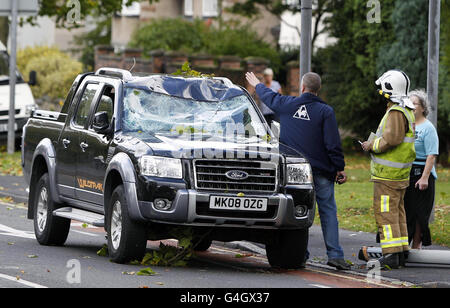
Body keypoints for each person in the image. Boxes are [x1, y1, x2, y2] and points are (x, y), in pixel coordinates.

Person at [246, 71, 350, 271]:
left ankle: (301, 253)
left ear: (302, 87)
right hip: (321, 171)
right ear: (318, 90)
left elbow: (269, 97)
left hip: (296, 172)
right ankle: (335, 255)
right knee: (328, 212)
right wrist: (339, 167)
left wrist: (258, 84)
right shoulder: (325, 111)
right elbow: (332, 144)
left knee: (300, 213)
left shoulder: (287, 104)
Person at [361, 69, 416, 269]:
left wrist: (371, 146)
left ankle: (391, 255)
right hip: (399, 174)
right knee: (397, 213)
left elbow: (392, 139)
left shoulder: (396, 111)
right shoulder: (406, 110)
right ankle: (401, 251)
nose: (380, 92)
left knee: (386, 213)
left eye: (382, 88)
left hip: (388, 176)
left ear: (389, 88)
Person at [404, 90, 439, 249]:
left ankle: (416, 246)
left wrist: (424, 177)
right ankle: (403, 244)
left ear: (423, 108)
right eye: (409, 103)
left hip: (422, 173)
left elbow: (431, 155)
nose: (411, 106)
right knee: (407, 211)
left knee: (419, 213)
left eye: (415, 103)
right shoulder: (405, 125)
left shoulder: (428, 128)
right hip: (406, 173)